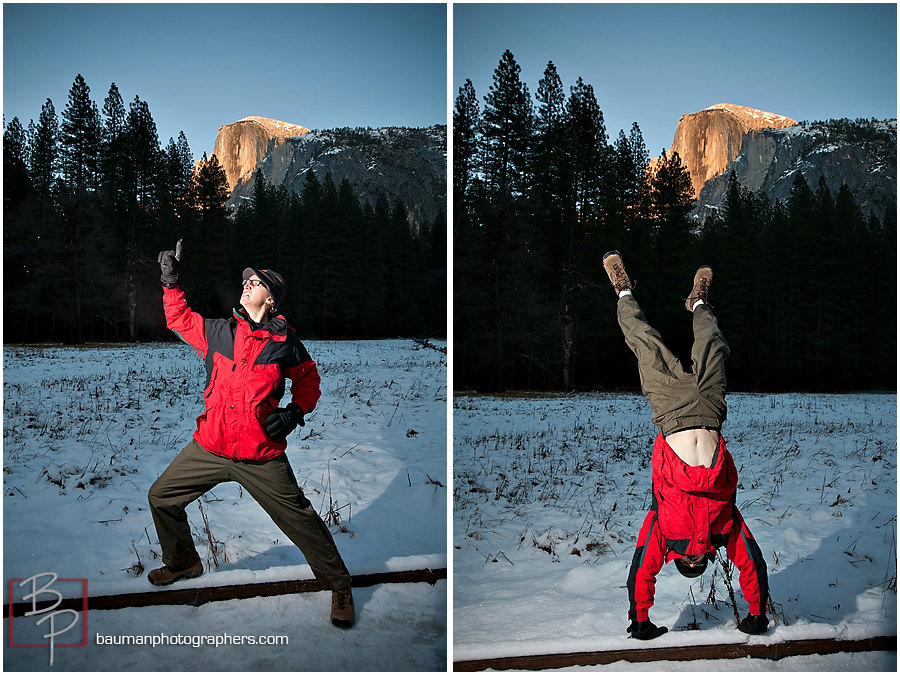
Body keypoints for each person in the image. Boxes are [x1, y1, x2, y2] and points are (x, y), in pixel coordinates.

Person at [147, 240, 355, 628]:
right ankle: (184, 562)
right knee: (161, 497)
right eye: (246, 280)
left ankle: (340, 584)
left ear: (271, 298)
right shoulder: (217, 332)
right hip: (211, 447)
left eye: (256, 282)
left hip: (260, 455)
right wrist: (170, 280)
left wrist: (294, 412)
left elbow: (309, 383)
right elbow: (178, 319)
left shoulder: (286, 344)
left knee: (301, 519)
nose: (247, 284)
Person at [602, 250, 769, 641]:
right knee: (712, 339)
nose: (694, 558)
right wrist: (756, 615)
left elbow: (642, 569)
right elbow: (751, 562)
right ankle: (698, 300)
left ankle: (623, 289)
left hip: (670, 410)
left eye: (687, 563)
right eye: (700, 563)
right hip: (710, 408)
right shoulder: (723, 527)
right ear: (707, 558)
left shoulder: (662, 528)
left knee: (643, 342)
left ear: (678, 559)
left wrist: (639, 621)